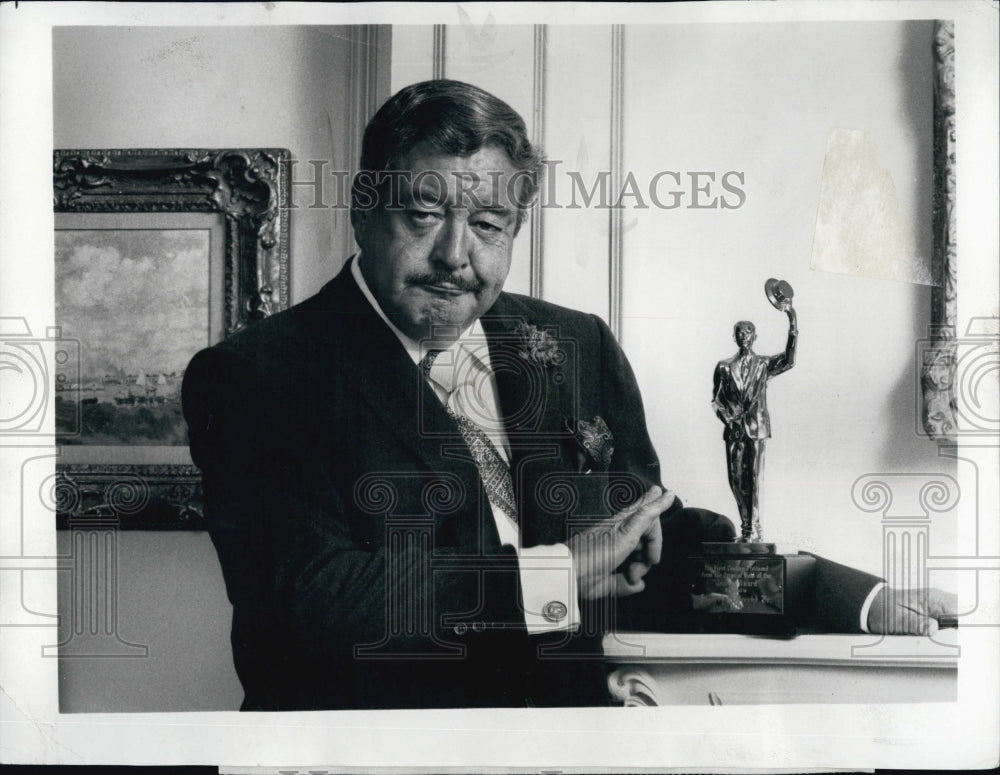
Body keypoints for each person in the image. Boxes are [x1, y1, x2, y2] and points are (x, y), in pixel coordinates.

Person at [182, 79, 955, 711]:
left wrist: (848, 596)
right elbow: (309, 599)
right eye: (424, 213)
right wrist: (555, 574)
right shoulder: (258, 376)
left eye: (489, 223)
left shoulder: (574, 345)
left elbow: (649, 548)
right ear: (363, 210)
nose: (457, 253)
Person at [712, 306, 797, 542]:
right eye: (739, 333)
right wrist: (727, 420)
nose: (743, 336)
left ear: (754, 337)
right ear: (734, 337)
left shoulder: (764, 365)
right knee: (736, 479)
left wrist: (793, 323)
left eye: (747, 333)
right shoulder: (724, 367)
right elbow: (717, 401)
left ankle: (753, 529)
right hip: (734, 431)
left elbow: (789, 361)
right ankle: (747, 524)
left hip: (757, 428)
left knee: (755, 479)